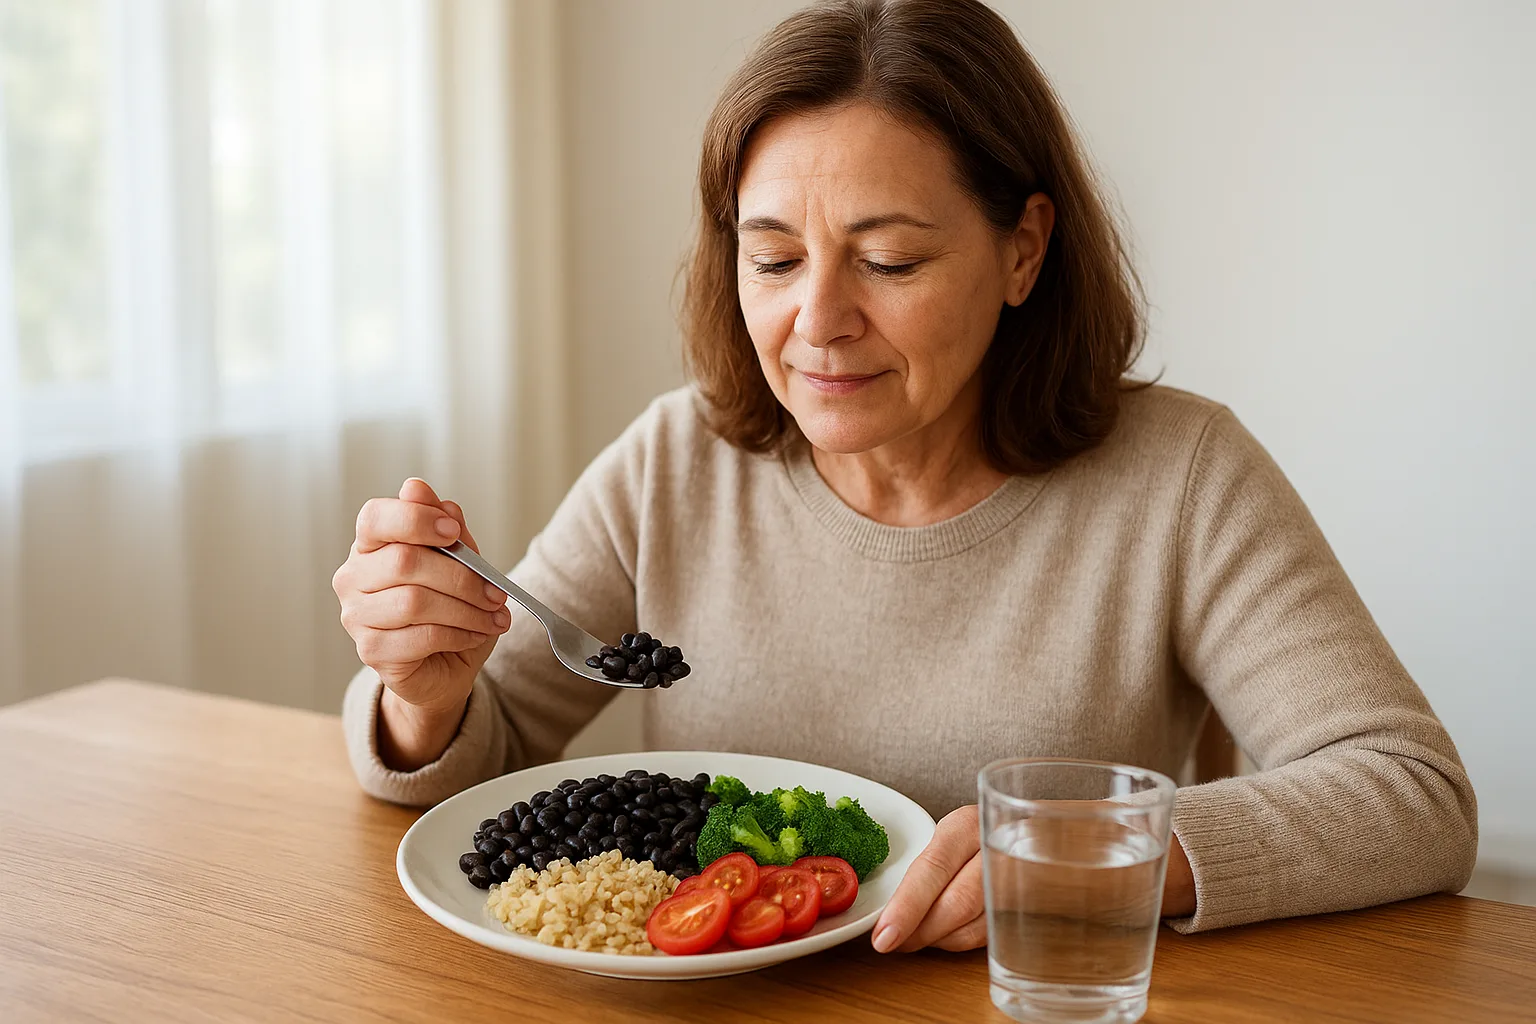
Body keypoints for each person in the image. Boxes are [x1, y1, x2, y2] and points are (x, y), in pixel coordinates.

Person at [332, 0, 1476, 950]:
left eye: (888, 259)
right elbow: (484, 761)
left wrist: (1102, 854)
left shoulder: (1179, 475)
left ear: (1024, 249)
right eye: (772, 257)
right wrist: (422, 698)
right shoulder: (678, 460)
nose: (816, 321)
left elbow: (1411, 793)